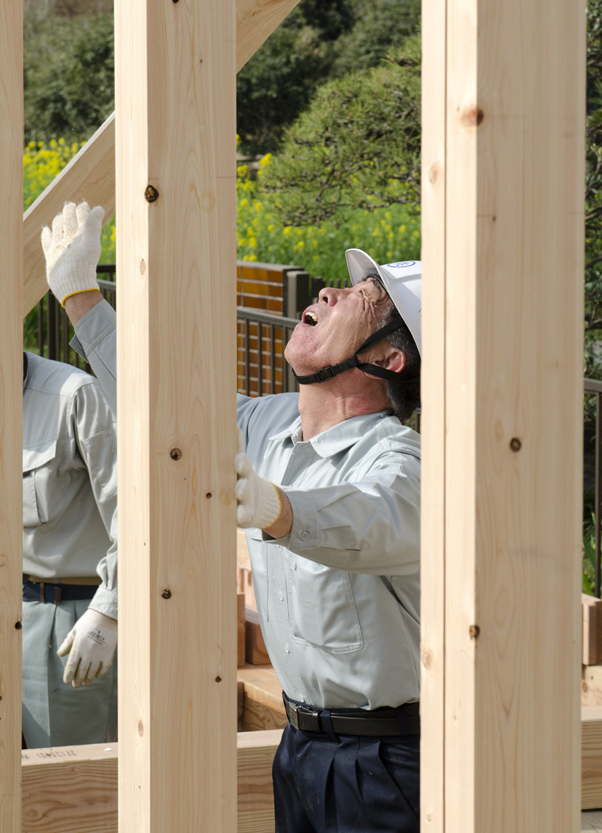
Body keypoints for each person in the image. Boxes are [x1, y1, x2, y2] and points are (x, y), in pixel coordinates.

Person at [41, 201, 422, 832]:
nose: (328, 291)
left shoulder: (397, 458)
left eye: (362, 298)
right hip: (302, 750)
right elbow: (160, 399)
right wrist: (81, 296)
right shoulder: (269, 425)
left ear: (386, 360)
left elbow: (375, 517)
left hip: (384, 763)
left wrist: (283, 509)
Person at [22, 344, 118, 748]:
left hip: (69, 620)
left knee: (69, 782)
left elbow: (134, 516)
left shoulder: (74, 396)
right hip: (18, 606)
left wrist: (109, 614)